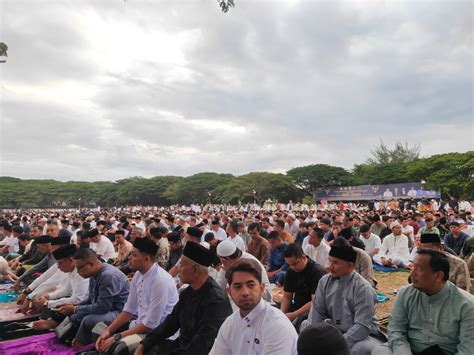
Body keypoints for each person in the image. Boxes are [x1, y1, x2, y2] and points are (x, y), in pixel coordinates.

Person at [135, 242, 232, 355]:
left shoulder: (216, 301)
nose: (178, 269)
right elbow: (169, 324)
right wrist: (145, 343)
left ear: (195, 270)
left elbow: (201, 346)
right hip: (181, 347)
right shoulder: (188, 292)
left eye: (181, 265)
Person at [372, 249, 474, 355]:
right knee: (379, 351)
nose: (412, 272)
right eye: (413, 266)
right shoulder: (405, 293)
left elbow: (467, 349)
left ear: (438, 275)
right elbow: (396, 329)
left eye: (419, 268)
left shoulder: (467, 305)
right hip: (408, 349)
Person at [95, 238, 178, 355]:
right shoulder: (138, 275)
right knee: (100, 329)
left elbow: (150, 325)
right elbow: (129, 309)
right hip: (139, 324)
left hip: (156, 333)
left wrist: (116, 337)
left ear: (146, 258)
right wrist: (109, 331)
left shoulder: (160, 281)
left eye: (134, 255)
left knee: (118, 347)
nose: (129, 258)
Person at [302, 244, 385, 355]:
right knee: (306, 327)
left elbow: (362, 327)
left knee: (356, 350)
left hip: (364, 336)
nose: (330, 267)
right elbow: (317, 311)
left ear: (350, 265)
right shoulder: (324, 281)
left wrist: (337, 344)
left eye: (335, 263)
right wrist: (313, 336)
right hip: (335, 329)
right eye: (329, 261)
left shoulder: (363, 288)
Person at [209, 259, 298, 355]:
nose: (245, 293)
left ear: (262, 288)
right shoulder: (229, 325)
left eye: (251, 285)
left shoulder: (277, 325)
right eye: (238, 287)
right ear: (229, 292)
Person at [65, 248, 130, 348]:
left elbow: (103, 307)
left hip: (122, 313)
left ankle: (80, 344)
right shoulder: (94, 273)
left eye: (79, 268)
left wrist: (75, 309)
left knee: (88, 319)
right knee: (76, 315)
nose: (78, 272)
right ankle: (70, 338)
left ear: (90, 264)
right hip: (109, 308)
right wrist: (75, 306)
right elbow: (90, 299)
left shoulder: (108, 275)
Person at [31, 244, 89, 330]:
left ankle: (52, 323)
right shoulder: (72, 270)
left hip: (86, 305)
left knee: (61, 307)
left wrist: (47, 303)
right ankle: (50, 322)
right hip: (78, 301)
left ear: (71, 260)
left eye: (60, 263)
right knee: (51, 303)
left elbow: (78, 299)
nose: (58, 266)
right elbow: (66, 289)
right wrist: (47, 296)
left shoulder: (81, 272)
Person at [281, 243, 326, 329]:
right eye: (289, 265)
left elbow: (315, 302)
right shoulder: (290, 271)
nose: (292, 267)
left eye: (294, 264)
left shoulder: (317, 272)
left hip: (313, 312)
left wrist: (294, 315)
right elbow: (287, 296)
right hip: (296, 307)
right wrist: (282, 314)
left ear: (304, 258)